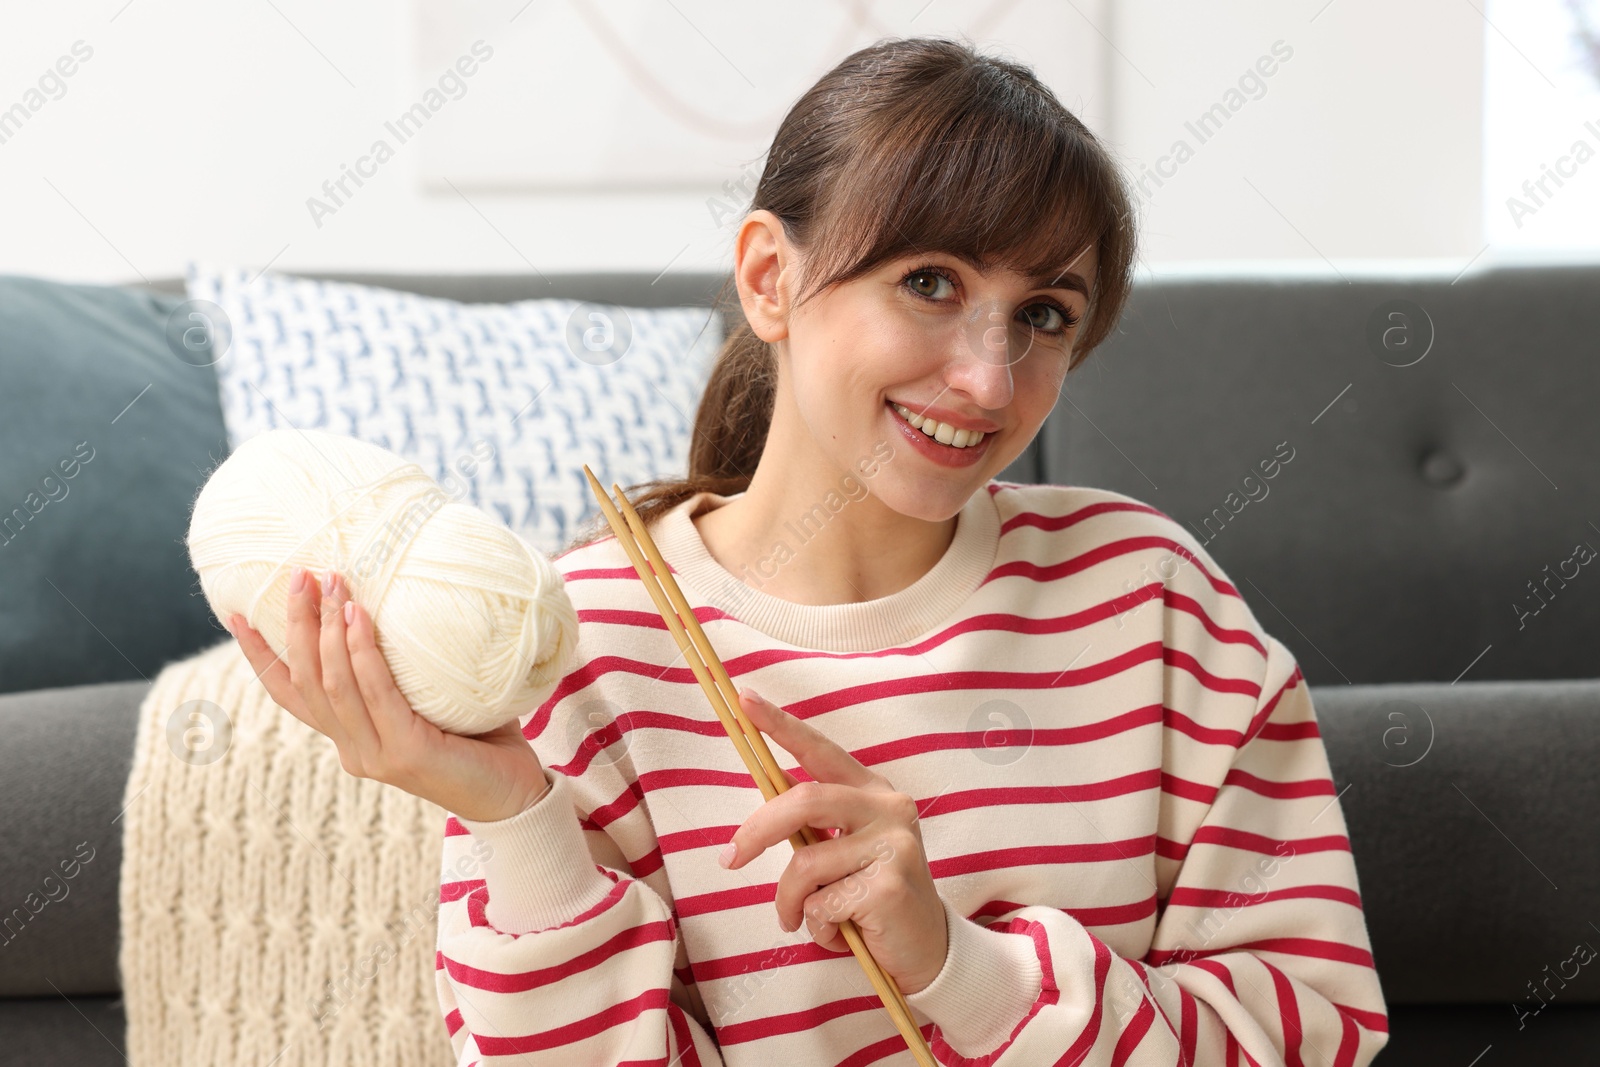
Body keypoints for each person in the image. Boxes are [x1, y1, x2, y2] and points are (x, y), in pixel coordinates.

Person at [227, 35, 1389, 1066]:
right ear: (769, 278)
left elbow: (1311, 1028)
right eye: (928, 283)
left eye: (1043, 314)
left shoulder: (1153, 598)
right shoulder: (580, 646)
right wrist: (517, 818)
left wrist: (959, 967)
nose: (989, 379)